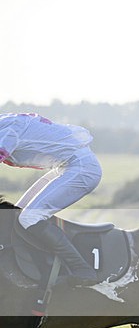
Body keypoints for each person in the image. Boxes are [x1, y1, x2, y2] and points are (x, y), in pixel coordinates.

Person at [0, 113, 102, 284]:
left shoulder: (7, 129)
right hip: (64, 167)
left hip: (81, 168)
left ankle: (82, 270)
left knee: (29, 218)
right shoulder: (5, 121)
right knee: (16, 216)